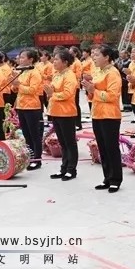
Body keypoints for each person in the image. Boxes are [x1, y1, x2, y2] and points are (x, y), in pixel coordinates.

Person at [83, 45, 123, 193]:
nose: (94, 57)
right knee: (103, 148)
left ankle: (116, 179)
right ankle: (107, 177)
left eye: (97, 55)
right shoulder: (98, 71)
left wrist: (94, 90)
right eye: (93, 55)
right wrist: (89, 90)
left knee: (111, 148)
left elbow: (112, 96)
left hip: (109, 115)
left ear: (107, 57)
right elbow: (94, 94)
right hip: (97, 113)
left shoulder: (113, 73)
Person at [46, 49, 78, 180]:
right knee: (62, 142)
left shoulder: (69, 75)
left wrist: (52, 94)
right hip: (56, 111)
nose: (54, 62)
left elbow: (67, 93)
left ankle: (71, 169)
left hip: (66, 112)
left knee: (69, 142)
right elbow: (53, 89)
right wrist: (49, 91)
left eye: (56, 59)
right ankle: (64, 167)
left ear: (65, 62)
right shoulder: (57, 74)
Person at [12, 49, 44, 171]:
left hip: (32, 106)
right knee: (26, 133)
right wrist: (15, 85)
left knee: (34, 134)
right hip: (21, 106)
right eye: (20, 57)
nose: (20, 59)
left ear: (31, 59)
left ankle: (37, 159)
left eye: (23, 57)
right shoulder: (22, 72)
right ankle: (30, 156)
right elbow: (16, 89)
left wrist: (18, 84)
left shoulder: (34, 73)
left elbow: (32, 90)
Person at [69, 46, 84, 130]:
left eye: (71, 53)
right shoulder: (70, 62)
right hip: (69, 86)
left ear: (75, 53)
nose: (70, 54)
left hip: (75, 86)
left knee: (75, 104)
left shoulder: (77, 63)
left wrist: (69, 74)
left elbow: (78, 75)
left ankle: (78, 123)